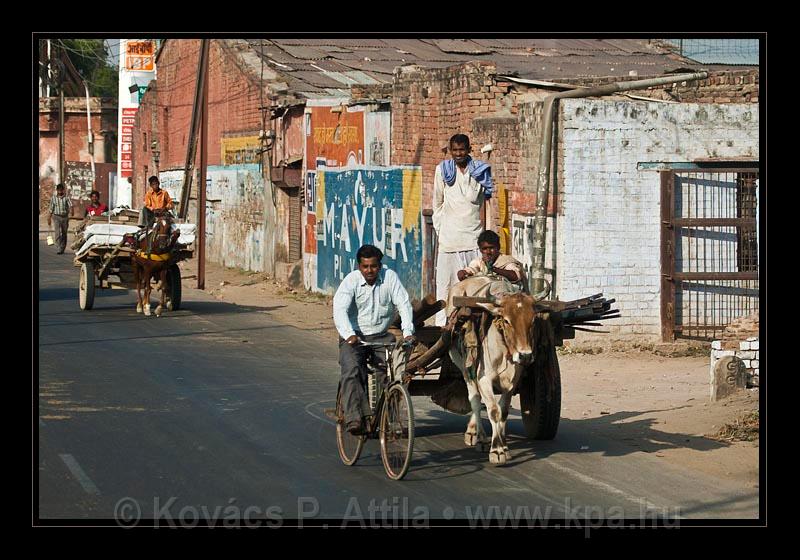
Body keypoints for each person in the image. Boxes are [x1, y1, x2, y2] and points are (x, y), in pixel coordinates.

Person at [333, 244, 416, 435]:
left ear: (380, 265)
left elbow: (403, 304)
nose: (369, 271)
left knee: (393, 371)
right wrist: (349, 335)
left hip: (381, 336)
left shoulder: (390, 278)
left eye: (373, 266)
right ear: (359, 266)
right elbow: (339, 309)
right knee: (353, 370)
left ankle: (389, 415)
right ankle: (354, 418)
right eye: (365, 267)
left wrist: (408, 331)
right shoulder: (351, 281)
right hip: (355, 336)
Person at [432, 133, 494, 325]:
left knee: (476, 286)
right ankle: (443, 326)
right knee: (445, 288)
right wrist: (441, 229)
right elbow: (437, 203)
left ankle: (475, 324)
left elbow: (488, 204)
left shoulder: (481, 171)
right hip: (449, 241)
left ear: (469, 150)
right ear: (451, 151)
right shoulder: (443, 171)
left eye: (462, 150)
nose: (458, 154)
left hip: (473, 240)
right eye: (455, 150)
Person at [457, 230, 527, 291]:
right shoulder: (479, 262)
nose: (488, 252)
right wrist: (463, 272)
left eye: (491, 248)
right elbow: (472, 269)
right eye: (484, 248)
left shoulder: (506, 260)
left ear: (498, 247)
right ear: (480, 250)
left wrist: (493, 269)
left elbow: (516, 276)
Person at [48, 183, 72, 254]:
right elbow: (51, 208)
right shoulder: (53, 198)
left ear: (63, 190)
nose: (60, 192)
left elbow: (71, 205)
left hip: (65, 217)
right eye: (59, 190)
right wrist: (49, 218)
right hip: (56, 217)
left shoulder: (66, 197)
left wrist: (72, 211)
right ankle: (58, 247)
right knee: (57, 233)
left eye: (61, 190)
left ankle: (62, 247)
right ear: (57, 190)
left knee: (64, 233)